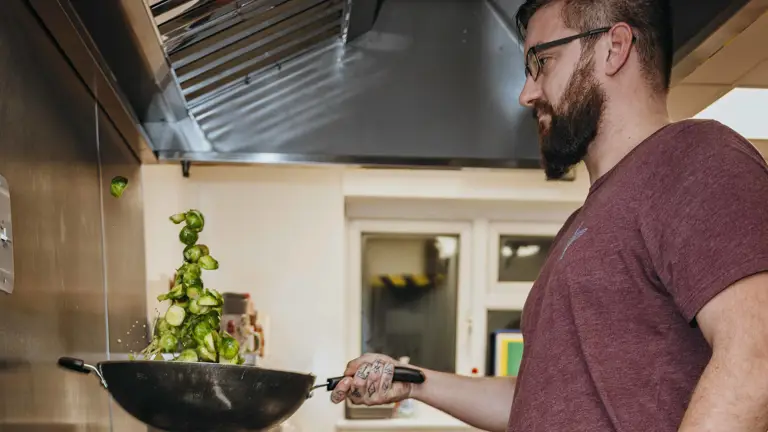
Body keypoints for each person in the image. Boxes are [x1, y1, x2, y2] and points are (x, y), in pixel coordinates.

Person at [331, 0, 768, 431]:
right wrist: (413, 383)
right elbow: (532, 400)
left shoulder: (695, 157)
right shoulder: (581, 226)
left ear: (614, 47)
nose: (527, 93)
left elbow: (756, 354)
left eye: (543, 62)